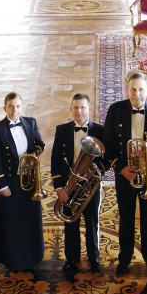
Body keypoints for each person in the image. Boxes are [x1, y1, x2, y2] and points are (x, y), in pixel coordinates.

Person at [103, 70, 147, 278]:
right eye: (133, 89)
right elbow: (108, 143)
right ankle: (124, 259)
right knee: (125, 219)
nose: (137, 94)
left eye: (141, 89)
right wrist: (120, 168)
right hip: (126, 174)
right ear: (127, 90)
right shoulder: (115, 110)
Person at [0, 92, 45, 272]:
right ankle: (12, 259)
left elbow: (40, 144)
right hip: (10, 182)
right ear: (4, 107)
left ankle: (33, 255)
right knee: (11, 221)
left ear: (22, 106)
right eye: (11, 106)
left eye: (18, 106)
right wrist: (1, 184)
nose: (14, 110)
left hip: (29, 180)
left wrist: (34, 154)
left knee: (29, 219)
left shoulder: (30, 122)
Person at [51, 93, 107, 272]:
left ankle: (94, 257)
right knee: (70, 222)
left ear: (90, 109)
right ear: (71, 109)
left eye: (83, 108)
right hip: (69, 184)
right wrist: (59, 187)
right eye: (75, 107)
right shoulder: (62, 130)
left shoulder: (100, 130)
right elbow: (55, 160)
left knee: (92, 222)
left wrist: (95, 172)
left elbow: (107, 159)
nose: (79, 111)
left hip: (90, 185)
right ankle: (71, 257)